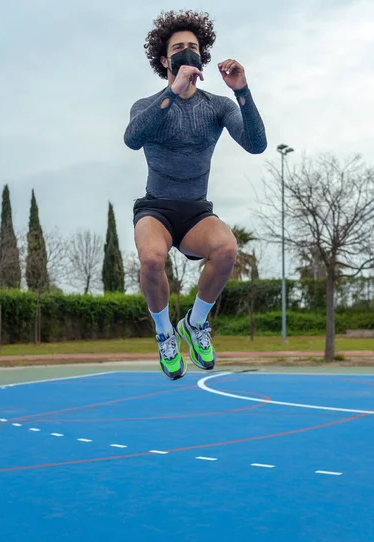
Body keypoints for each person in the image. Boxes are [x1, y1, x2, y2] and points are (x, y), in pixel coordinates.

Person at [124, 10, 267, 380]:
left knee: (227, 248)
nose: (187, 52)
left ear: (202, 58)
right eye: (178, 48)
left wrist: (241, 91)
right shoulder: (146, 105)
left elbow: (256, 144)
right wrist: (172, 92)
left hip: (196, 212)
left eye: (193, 47)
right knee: (152, 260)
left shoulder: (216, 107)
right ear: (164, 60)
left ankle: (195, 324)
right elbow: (131, 139)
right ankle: (164, 333)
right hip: (155, 208)